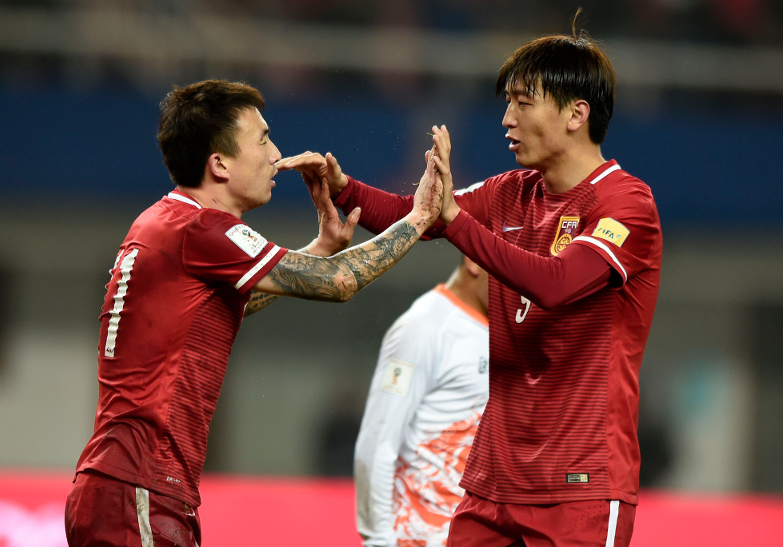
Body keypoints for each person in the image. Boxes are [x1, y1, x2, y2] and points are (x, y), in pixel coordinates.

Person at [282, 15, 662, 547]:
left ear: (576, 113)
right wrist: (344, 188)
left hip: (579, 484)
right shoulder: (511, 191)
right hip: (494, 484)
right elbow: (416, 214)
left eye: (522, 103)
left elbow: (556, 284)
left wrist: (456, 220)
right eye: (507, 102)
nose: (506, 119)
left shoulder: (627, 203)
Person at [64, 79, 444, 547]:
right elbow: (339, 282)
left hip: (125, 487)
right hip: (140, 488)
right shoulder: (201, 226)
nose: (274, 154)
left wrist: (318, 248)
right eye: (262, 139)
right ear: (219, 163)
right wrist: (421, 218)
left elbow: (210, 313)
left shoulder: (165, 223)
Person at [354, 255, 489, 546]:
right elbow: (377, 442)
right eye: (507, 263)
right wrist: (377, 540)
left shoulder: (510, 332)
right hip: (420, 537)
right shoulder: (424, 327)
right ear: (475, 260)